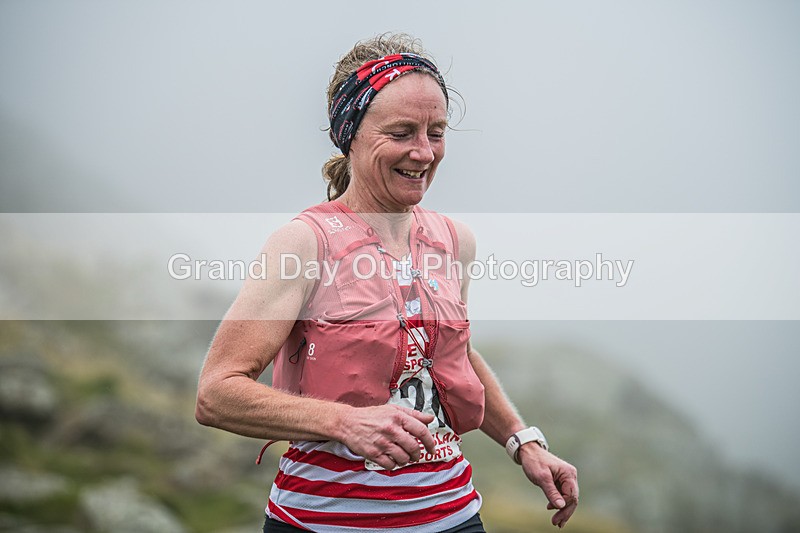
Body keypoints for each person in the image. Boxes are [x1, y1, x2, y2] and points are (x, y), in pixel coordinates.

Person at [195, 33, 578, 532]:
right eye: (401, 133)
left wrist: (522, 442)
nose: (423, 153)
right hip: (322, 523)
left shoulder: (453, 240)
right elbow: (216, 394)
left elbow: (449, 357)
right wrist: (344, 421)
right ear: (349, 133)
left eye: (435, 132)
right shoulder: (304, 244)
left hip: (455, 517)